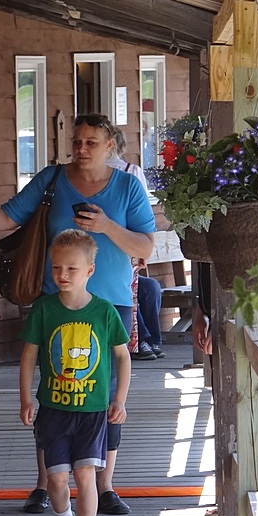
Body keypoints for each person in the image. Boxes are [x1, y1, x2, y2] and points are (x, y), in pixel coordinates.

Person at [0, 113, 155, 516]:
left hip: (110, 300)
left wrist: (108, 226)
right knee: (56, 388)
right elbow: (9, 216)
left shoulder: (127, 187)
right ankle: (45, 481)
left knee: (107, 392)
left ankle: (104, 483)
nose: (80, 149)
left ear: (109, 146)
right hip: (55, 300)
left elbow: (144, 246)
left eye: (90, 142)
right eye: (76, 141)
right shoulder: (53, 179)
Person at [19, 229, 131, 516]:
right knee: (55, 479)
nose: (62, 276)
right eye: (56, 268)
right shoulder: (43, 310)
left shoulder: (104, 312)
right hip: (53, 408)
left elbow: (122, 356)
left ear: (89, 271)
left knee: (85, 477)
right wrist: (25, 398)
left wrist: (120, 399)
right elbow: (28, 356)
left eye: (71, 269)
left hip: (93, 409)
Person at [106, 125, 164, 361]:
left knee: (135, 291)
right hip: (127, 242)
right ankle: (147, 342)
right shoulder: (131, 171)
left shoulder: (89, 173)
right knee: (131, 291)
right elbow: (142, 211)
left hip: (106, 245)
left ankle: (145, 341)